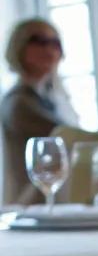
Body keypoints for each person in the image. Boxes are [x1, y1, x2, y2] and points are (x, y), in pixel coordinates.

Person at [1, 17, 78, 204]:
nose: (49, 49)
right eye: (40, 42)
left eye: (55, 43)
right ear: (19, 47)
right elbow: (69, 136)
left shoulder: (54, 95)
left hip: (57, 203)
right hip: (32, 207)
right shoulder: (19, 102)